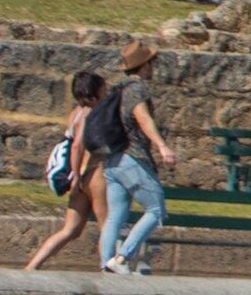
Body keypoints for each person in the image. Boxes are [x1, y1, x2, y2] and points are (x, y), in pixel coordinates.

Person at [91, 42, 178, 275]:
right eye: (152, 62)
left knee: (115, 216)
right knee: (156, 211)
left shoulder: (117, 89)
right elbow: (142, 118)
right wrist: (162, 146)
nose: (154, 67)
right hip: (132, 158)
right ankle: (121, 258)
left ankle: (106, 264)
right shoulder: (135, 89)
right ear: (144, 65)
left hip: (112, 161)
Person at [23, 72, 111, 273]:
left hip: (78, 178)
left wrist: (74, 177)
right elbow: (77, 145)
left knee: (70, 230)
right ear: (96, 90)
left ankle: (32, 267)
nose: (106, 91)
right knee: (106, 228)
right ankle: (108, 271)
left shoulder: (75, 113)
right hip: (93, 173)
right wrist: (78, 176)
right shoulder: (91, 113)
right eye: (104, 87)